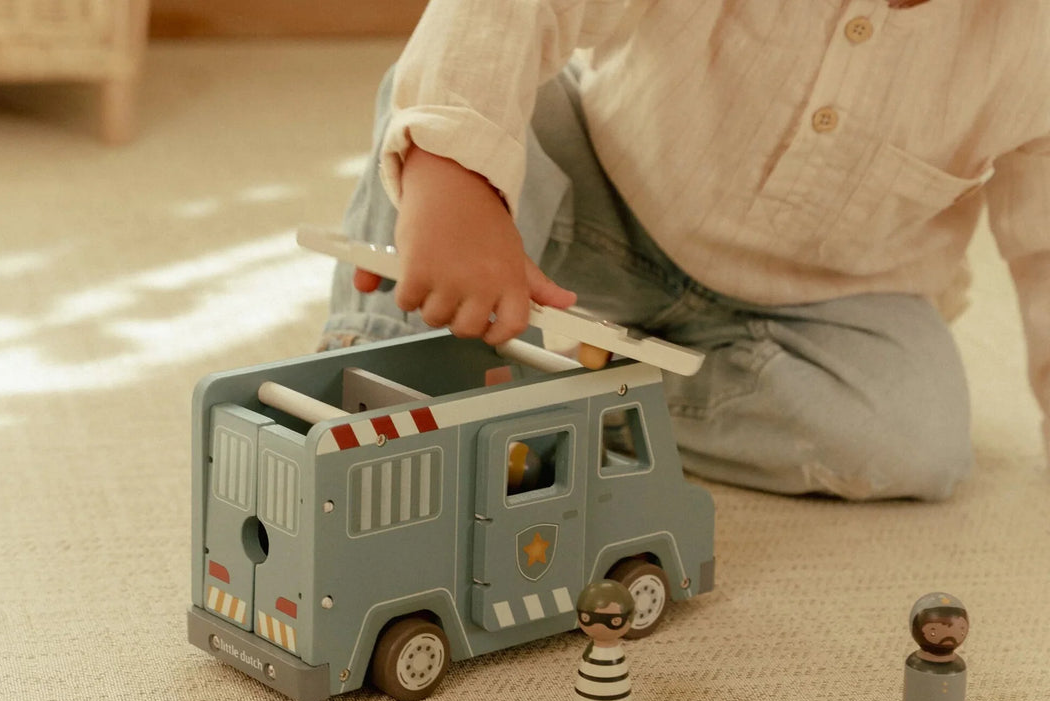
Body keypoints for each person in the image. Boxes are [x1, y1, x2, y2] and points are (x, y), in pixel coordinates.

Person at [320, 0, 1050, 501]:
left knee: (912, 439)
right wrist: (461, 180)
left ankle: (583, 399)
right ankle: (375, 379)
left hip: (824, 301)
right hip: (594, 190)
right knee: (449, 115)